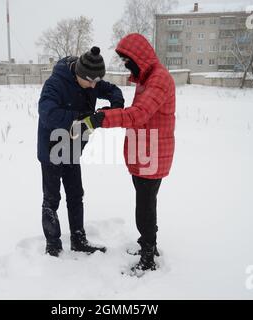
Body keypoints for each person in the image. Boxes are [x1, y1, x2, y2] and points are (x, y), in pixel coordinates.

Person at [82, 34, 176, 274]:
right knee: (146, 204)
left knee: (144, 208)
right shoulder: (148, 79)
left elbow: (139, 114)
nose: (125, 65)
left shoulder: (159, 80)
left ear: (139, 57)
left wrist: (102, 118)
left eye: (126, 60)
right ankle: (149, 246)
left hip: (152, 154)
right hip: (146, 151)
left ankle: (148, 259)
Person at [37, 46, 125, 257]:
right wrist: (83, 119)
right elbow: (47, 113)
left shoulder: (91, 79)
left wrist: (114, 106)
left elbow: (113, 91)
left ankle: (78, 239)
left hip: (73, 147)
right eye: (91, 81)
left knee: (76, 195)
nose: (94, 86)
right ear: (78, 74)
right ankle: (53, 244)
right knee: (52, 199)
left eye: (97, 81)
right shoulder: (55, 84)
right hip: (52, 147)